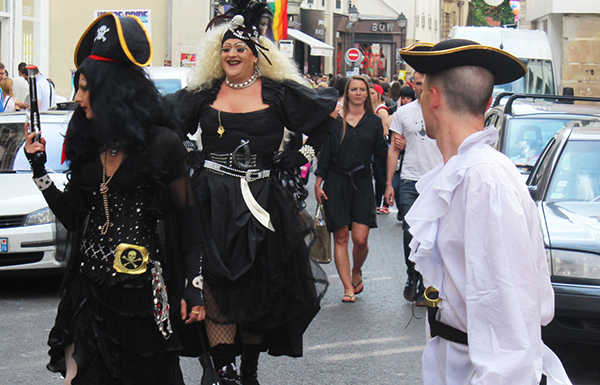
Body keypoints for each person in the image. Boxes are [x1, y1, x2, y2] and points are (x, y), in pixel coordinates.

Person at [23, 13, 205, 384]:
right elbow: (75, 217)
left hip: (142, 297)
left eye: (85, 87)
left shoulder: (163, 145)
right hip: (89, 292)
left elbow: (188, 223)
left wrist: (193, 285)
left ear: (113, 90)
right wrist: (39, 169)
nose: (77, 97)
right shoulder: (88, 146)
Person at [166, 1, 336, 383]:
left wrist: (300, 155)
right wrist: (187, 154)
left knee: (257, 287)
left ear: (256, 55)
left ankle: (250, 372)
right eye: (225, 48)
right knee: (213, 282)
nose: (231, 53)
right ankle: (224, 370)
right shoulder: (205, 94)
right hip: (211, 203)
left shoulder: (277, 94)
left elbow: (327, 122)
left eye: (239, 48)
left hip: (262, 202)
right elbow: (166, 126)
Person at [400, 39, 572, 385]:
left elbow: (505, 323)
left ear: (432, 97)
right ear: (488, 102)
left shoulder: (483, 182)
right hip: (457, 365)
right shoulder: (470, 173)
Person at [314, 75, 388, 304]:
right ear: (347, 94)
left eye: (361, 89)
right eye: (353, 89)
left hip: (362, 183)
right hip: (336, 182)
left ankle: (357, 270)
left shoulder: (374, 122)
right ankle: (347, 287)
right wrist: (318, 181)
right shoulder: (336, 120)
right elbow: (325, 153)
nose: (357, 93)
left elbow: (382, 155)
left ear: (368, 94)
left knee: (361, 239)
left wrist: (387, 185)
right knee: (341, 237)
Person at [384, 71, 442, 306]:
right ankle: (413, 274)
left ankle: (427, 284)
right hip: (410, 180)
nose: (422, 88)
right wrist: (389, 183)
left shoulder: (443, 110)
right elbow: (393, 150)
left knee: (434, 237)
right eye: (418, 84)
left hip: (438, 181)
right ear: (413, 85)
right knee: (411, 233)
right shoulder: (403, 113)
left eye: (426, 84)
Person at [370, 83, 390, 215]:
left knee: (382, 176)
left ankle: (384, 203)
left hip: (381, 147)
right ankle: (377, 203)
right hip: (374, 147)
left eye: (373, 93)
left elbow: (384, 131)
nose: (370, 96)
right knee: (377, 176)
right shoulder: (373, 108)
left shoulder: (381, 110)